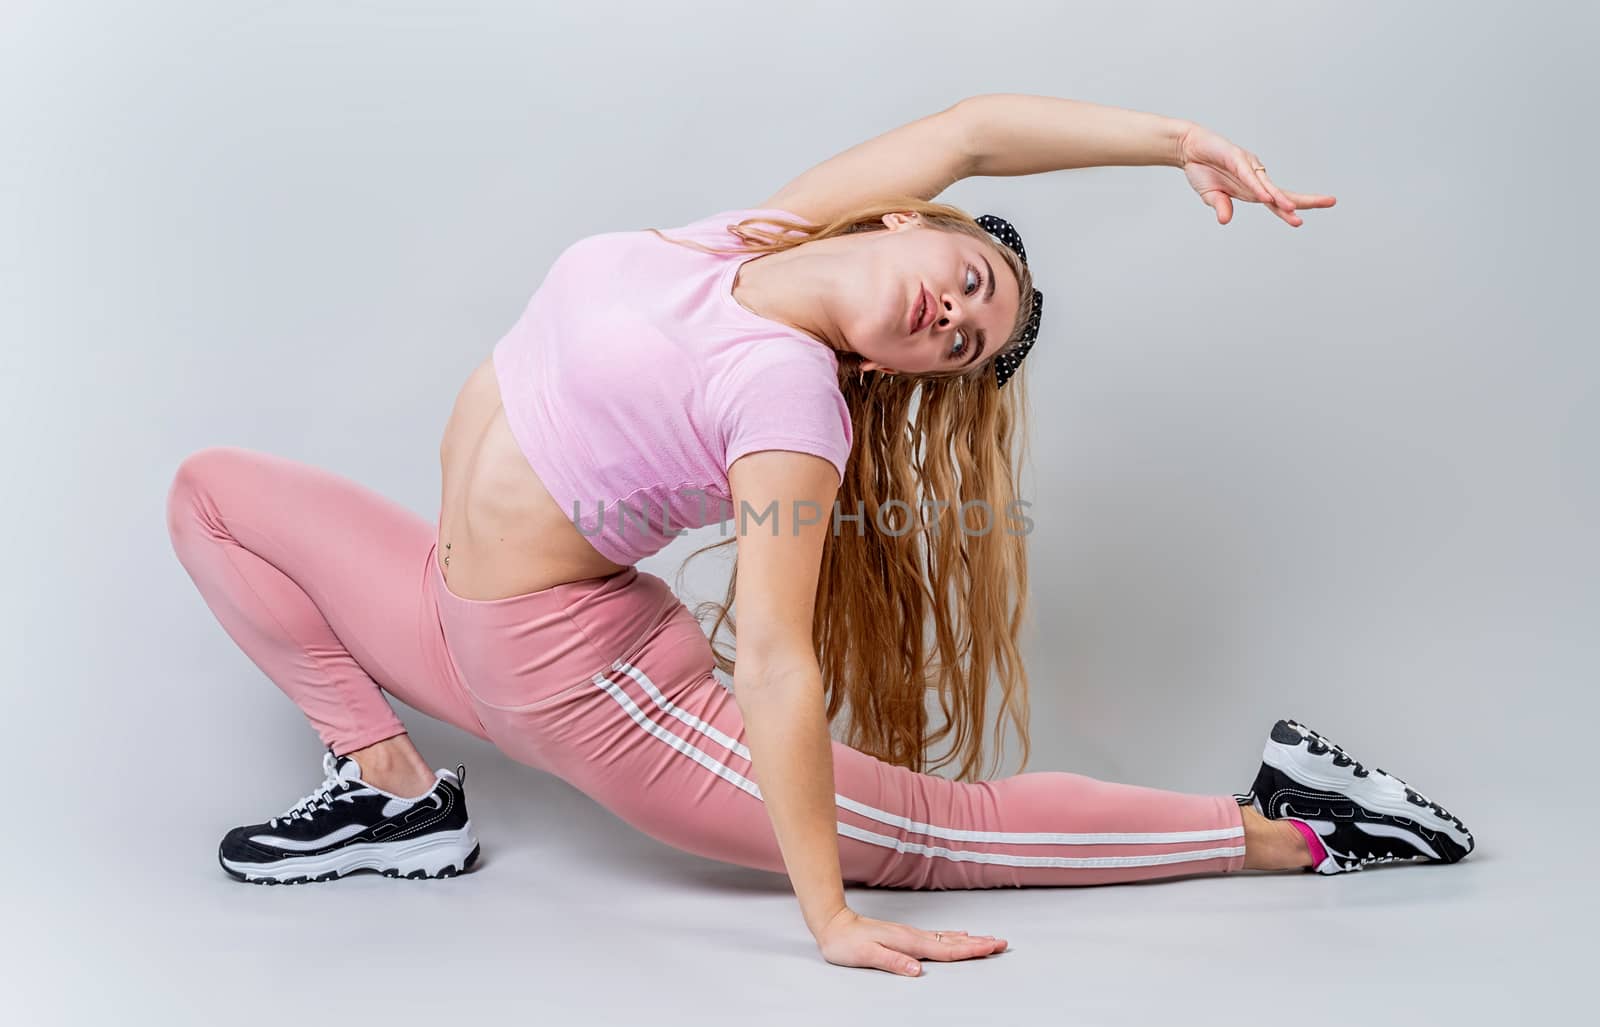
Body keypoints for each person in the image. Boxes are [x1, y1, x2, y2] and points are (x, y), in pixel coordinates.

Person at [165, 93, 1473, 977]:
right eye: (967, 282)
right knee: (214, 497)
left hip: (592, 690)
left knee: (938, 835)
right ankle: (396, 800)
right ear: (912, 218)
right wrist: (1174, 136)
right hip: (447, 620)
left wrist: (830, 914)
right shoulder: (742, 239)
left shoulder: (789, 401)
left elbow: (781, 663)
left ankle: (1300, 827)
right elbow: (972, 128)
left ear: (914, 370)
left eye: (963, 343)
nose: (950, 318)